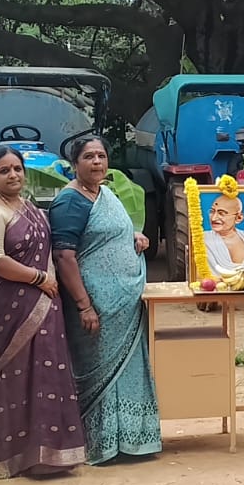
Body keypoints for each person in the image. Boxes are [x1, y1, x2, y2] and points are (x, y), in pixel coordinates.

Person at [0, 146, 86, 478]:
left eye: (17, 169)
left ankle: (48, 454)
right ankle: (8, 456)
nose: (14, 175)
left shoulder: (24, 205)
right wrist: (39, 278)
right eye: (4, 171)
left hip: (40, 303)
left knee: (43, 373)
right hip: (1, 306)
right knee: (8, 378)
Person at [50, 137, 162, 464]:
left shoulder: (104, 194)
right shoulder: (70, 202)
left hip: (124, 307)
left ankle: (129, 441)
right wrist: (85, 305)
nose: (97, 162)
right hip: (96, 307)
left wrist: (134, 237)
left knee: (128, 371)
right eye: (89, 157)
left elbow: (109, 231)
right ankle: (99, 445)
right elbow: (64, 255)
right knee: (97, 372)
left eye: (101, 155)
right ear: (75, 164)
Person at [203, 192, 244, 275]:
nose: (214, 218)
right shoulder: (201, 239)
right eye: (212, 212)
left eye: (221, 213)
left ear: (239, 218)